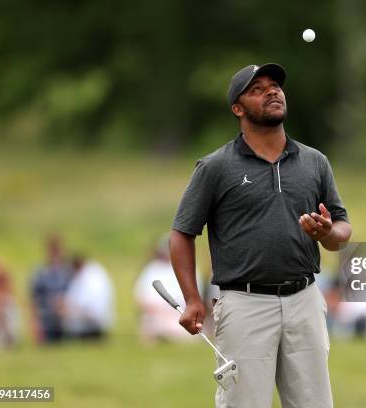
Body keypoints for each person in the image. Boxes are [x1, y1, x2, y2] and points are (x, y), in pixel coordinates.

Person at [170, 63, 352, 408]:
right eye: (257, 89)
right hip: (244, 304)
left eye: (275, 86)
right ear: (238, 109)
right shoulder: (216, 167)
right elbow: (182, 233)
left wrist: (328, 232)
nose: (272, 91)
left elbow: (341, 230)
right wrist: (192, 298)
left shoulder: (315, 162)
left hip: (305, 301)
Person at [135, 235, 202, 343]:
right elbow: (140, 298)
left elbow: (195, 299)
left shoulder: (189, 268)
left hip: (180, 316)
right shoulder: (152, 268)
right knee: (149, 326)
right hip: (155, 316)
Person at [30, 235, 72, 343]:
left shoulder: (68, 271)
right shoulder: (40, 273)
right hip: (46, 321)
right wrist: (35, 325)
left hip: (66, 320)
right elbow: (34, 300)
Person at [62, 255, 115, 340]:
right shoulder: (96, 271)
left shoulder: (86, 277)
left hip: (92, 323)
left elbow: (84, 308)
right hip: (103, 322)